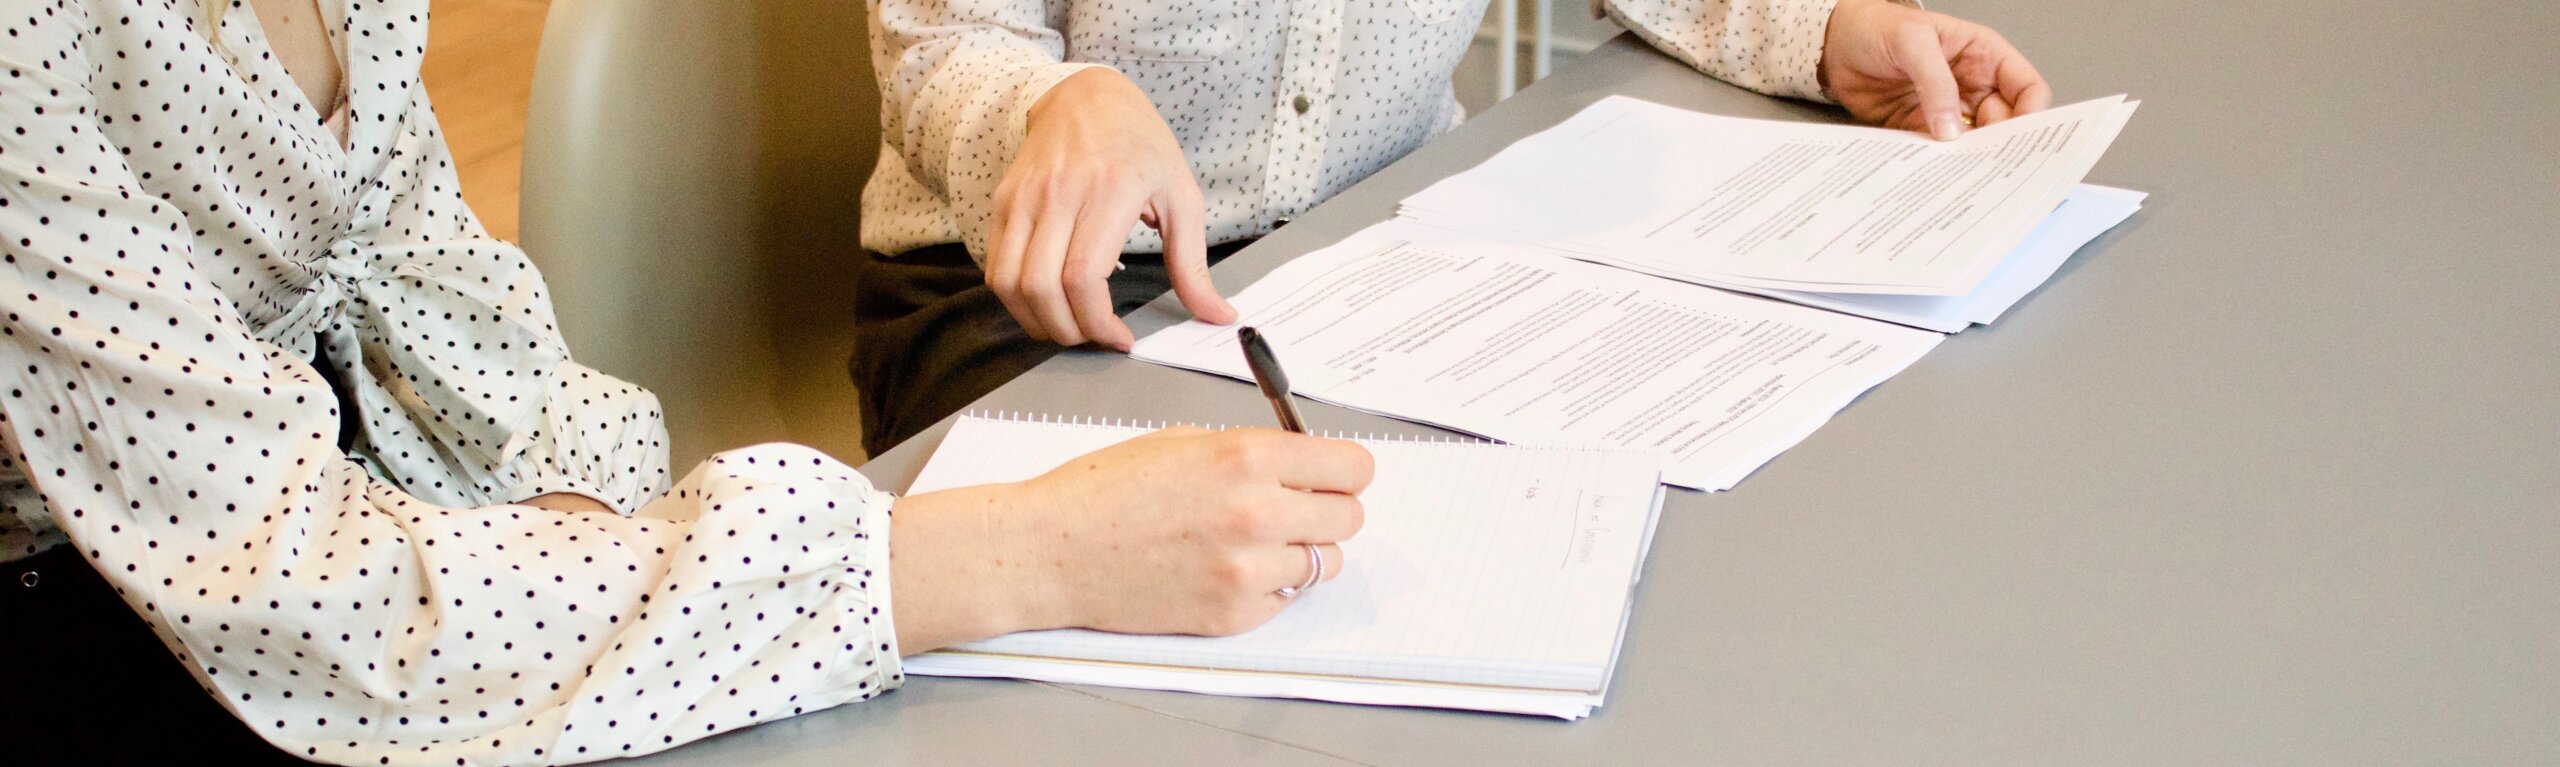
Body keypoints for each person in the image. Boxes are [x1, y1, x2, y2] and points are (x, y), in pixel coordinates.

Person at [0, 0, 1374, 764]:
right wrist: (1014, 555)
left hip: (322, 502)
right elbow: (315, 600)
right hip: (116, 579)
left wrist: (602, 534)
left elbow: (440, 299)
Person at [851, 0, 2054, 454]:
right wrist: (1058, 103)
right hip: (1026, 289)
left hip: (1372, 257)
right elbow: (940, 46)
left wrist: (1818, 32)